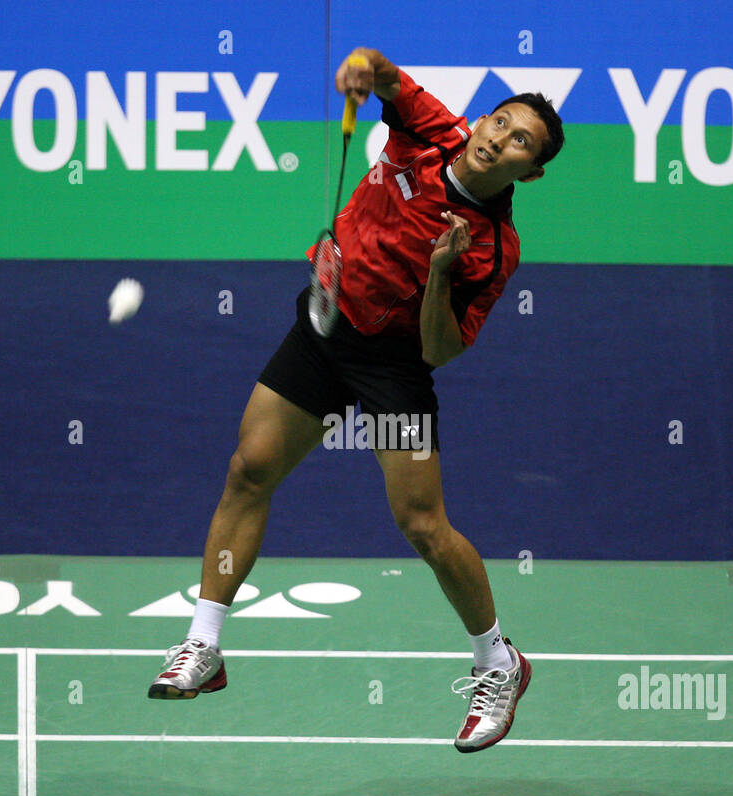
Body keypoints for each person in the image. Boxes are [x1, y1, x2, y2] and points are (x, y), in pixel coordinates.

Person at [148, 47, 565, 753]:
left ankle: (499, 663)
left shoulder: (493, 248)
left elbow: (440, 349)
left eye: (520, 140)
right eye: (500, 121)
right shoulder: (436, 133)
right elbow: (386, 72)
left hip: (394, 366)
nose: (498, 137)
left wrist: (439, 274)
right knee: (249, 470)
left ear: (532, 169)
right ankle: (204, 644)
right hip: (326, 324)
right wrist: (360, 67)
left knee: (423, 526)